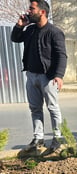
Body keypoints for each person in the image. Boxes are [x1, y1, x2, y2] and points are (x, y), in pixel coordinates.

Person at [11, 0, 67, 154]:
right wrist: (19, 25)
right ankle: (38, 138)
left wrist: (59, 75)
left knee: (53, 108)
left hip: (48, 77)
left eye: (32, 8)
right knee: (35, 109)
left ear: (42, 12)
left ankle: (57, 138)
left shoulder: (54, 32)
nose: (29, 11)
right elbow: (15, 38)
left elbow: (62, 55)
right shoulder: (30, 30)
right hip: (31, 75)